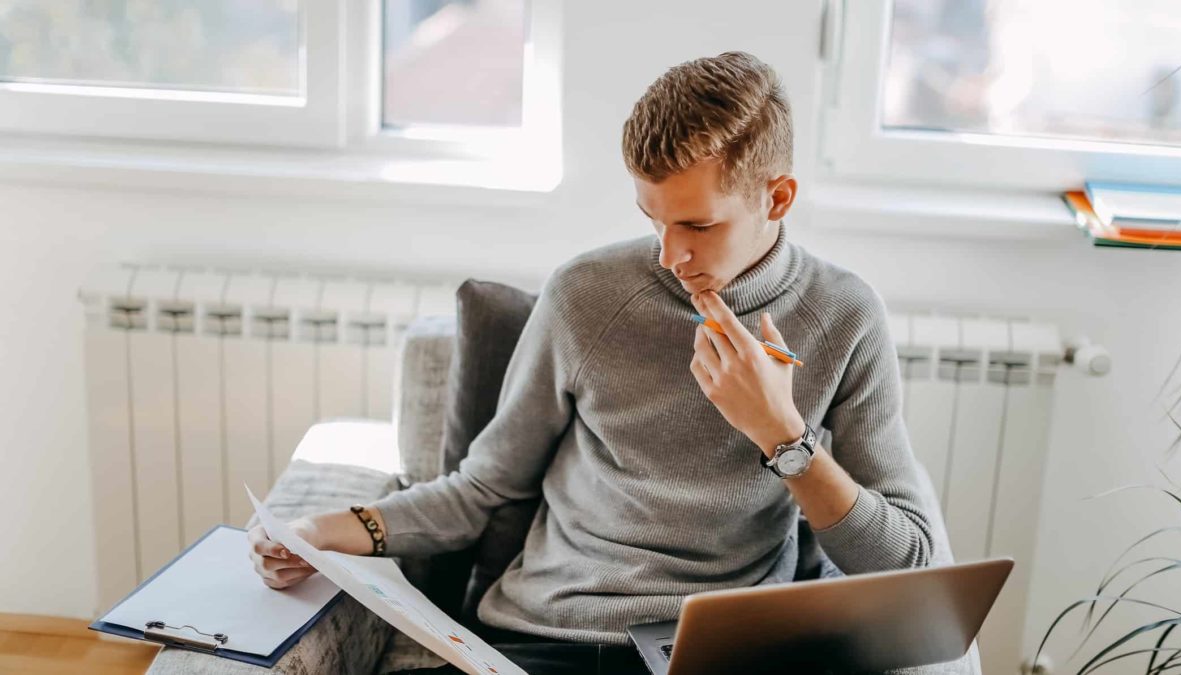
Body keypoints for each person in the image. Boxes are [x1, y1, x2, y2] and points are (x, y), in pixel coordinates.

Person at [249, 51, 966, 675]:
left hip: (711, 649)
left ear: (777, 197)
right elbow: (482, 490)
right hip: (546, 636)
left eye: (697, 224)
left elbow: (910, 568)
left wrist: (784, 436)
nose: (669, 255)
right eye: (653, 219)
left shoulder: (844, 317)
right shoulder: (585, 296)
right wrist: (325, 530)